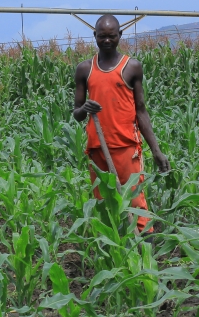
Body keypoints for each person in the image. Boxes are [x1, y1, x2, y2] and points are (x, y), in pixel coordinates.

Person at [72, 14, 169, 232]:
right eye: (102, 36)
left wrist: (156, 150)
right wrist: (84, 109)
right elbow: (76, 113)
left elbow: (141, 111)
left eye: (112, 36)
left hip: (126, 147)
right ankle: (114, 253)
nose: (107, 40)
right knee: (104, 204)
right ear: (94, 36)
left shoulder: (132, 67)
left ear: (120, 35)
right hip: (98, 149)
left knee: (135, 203)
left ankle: (146, 253)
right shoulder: (84, 69)